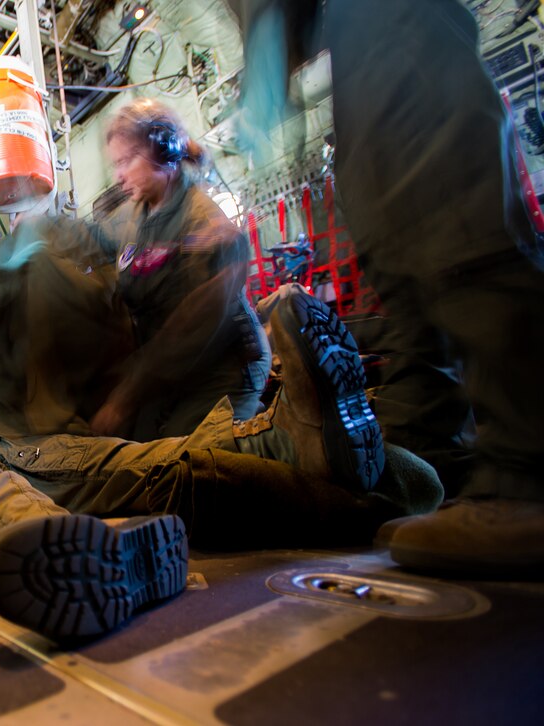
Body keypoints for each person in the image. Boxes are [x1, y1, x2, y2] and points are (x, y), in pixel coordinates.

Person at [0, 245, 434, 640]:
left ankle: (66, 551)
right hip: (44, 437)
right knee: (156, 464)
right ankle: (316, 454)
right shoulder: (36, 284)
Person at [230, 0, 544, 576]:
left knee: (443, 204)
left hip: (383, 15)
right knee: (396, 243)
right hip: (355, 34)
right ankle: (433, 458)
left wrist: (266, 38)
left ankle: (527, 476)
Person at [89, 98, 271, 440]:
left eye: (127, 161)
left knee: (188, 460)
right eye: (116, 164)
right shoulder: (132, 215)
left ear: (163, 152)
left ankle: (281, 440)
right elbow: (89, 239)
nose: (119, 175)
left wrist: (124, 399)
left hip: (223, 364)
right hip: (168, 369)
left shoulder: (205, 226)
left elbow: (189, 328)